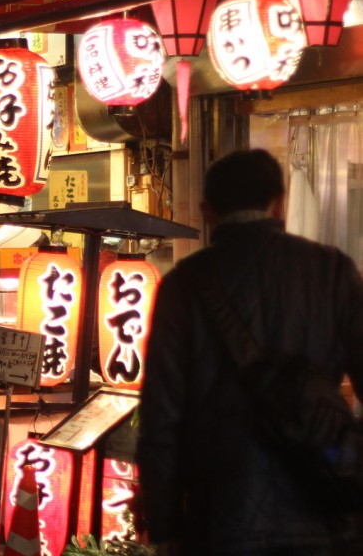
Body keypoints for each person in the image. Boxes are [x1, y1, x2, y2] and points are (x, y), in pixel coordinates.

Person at [136, 149, 363, 555]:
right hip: (326, 515)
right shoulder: (333, 271)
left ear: (207, 212)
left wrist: (165, 525)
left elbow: (160, 420)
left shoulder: (183, 287)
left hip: (219, 520)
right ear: (280, 202)